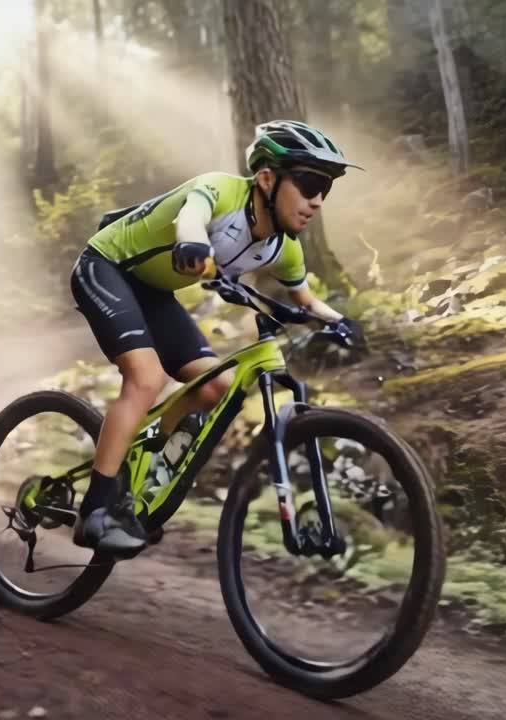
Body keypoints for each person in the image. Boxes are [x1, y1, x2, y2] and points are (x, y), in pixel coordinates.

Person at [68, 119, 365, 555]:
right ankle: (94, 509)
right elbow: (192, 216)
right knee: (146, 378)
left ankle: (137, 472)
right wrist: (193, 244)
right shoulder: (221, 190)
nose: (316, 200)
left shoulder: (284, 246)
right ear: (267, 178)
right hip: (106, 265)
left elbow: (305, 300)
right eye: (307, 184)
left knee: (216, 387)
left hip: (154, 291)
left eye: (325, 189)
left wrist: (341, 322)